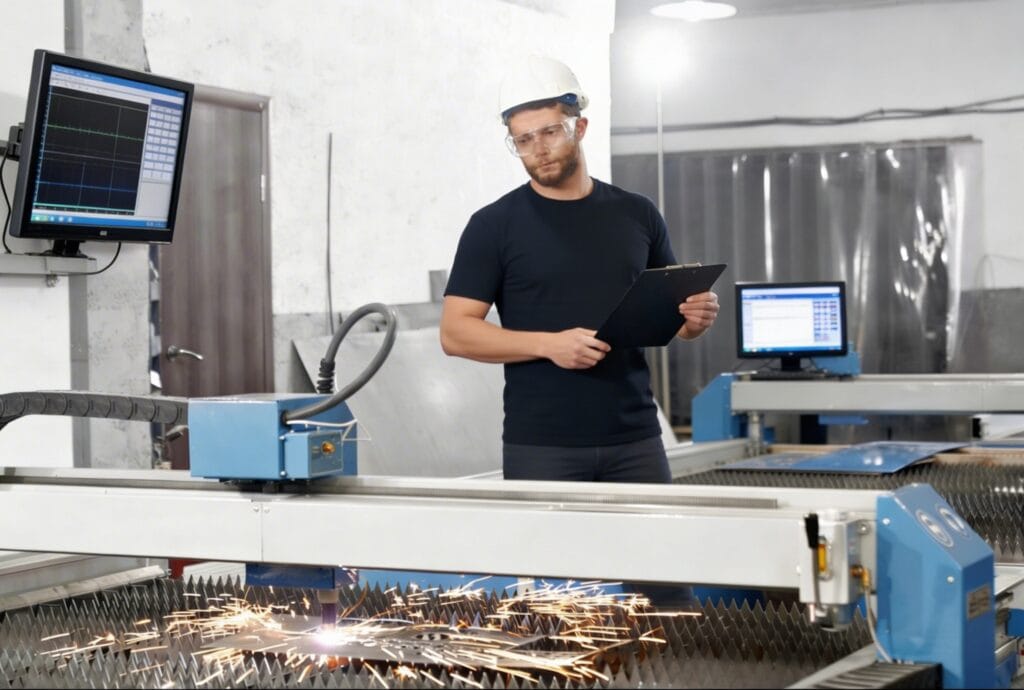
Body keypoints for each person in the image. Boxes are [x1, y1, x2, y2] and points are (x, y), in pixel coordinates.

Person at [440, 55, 720, 487]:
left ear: (580, 127)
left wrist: (695, 319)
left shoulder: (638, 214)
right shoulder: (492, 226)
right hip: (542, 447)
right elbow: (455, 333)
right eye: (523, 139)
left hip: (636, 440)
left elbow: (676, 319)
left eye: (550, 132)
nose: (538, 149)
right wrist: (549, 345)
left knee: (651, 535)